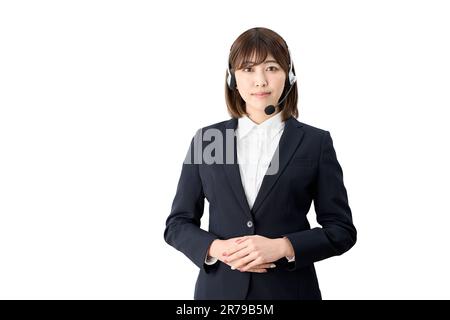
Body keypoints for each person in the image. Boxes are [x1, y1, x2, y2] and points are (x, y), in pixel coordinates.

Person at [164, 27, 357, 300]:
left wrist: (284, 247)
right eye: (248, 69)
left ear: (288, 76)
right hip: (219, 294)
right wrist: (217, 248)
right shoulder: (209, 140)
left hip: (290, 292)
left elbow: (341, 230)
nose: (260, 81)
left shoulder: (316, 142)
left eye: (271, 68)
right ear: (232, 78)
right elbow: (178, 224)